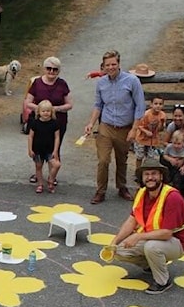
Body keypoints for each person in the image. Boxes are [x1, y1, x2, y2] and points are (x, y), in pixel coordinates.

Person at [110, 157, 184, 295]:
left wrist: (137, 236)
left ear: (161, 176)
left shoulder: (172, 197)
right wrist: (114, 242)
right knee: (118, 250)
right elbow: (132, 220)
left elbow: (167, 233)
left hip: (178, 242)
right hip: (153, 237)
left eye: (154, 173)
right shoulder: (141, 193)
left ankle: (162, 282)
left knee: (152, 247)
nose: (150, 177)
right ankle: (151, 264)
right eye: (146, 174)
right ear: (142, 178)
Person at [83, 50, 146, 205]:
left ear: (119, 64)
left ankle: (122, 187)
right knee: (103, 160)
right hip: (106, 125)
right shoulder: (101, 83)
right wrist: (91, 123)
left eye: (113, 64)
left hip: (125, 126)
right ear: (103, 66)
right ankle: (100, 190)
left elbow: (140, 106)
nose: (110, 67)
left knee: (121, 159)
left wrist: (134, 129)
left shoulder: (132, 81)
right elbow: (98, 105)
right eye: (107, 65)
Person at [23, 56, 72, 187]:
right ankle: (38, 173)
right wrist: (41, 109)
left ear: (59, 71)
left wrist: (55, 109)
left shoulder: (62, 84)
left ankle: (52, 175)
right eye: (49, 68)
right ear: (44, 69)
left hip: (57, 123)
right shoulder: (37, 83)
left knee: (55, 147)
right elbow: (27, 102)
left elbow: (69, 105)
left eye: (55, 69)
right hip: (39, 123)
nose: (51, 72)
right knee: (38, 146)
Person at [27, 100, 61, 194]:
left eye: (48, 111)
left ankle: (51, 179)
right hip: (37, 149)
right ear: (39, 112)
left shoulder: (55, 123)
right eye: (43, 111)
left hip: (50, 149)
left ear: (51, 112)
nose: (46, 113)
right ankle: (40, 184)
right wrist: (30, 149)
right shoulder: (35, 123)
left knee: (56, 164)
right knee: (38, 167)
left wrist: (55, 150)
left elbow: (57, 137)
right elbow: (30, 136)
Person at [130, 96, 167, 175]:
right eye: (156, 103)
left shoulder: (162, 115)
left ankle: (148, 172)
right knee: (140, 156)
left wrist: (162, 124)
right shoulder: (146, 114)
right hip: (142, 139)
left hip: (153, 140)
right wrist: (146, 131)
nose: (158, 106)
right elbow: (139, 125)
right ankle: (138, 171)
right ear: (151, 104)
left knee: (151, 157)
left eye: (160, 104)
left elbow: (160, 129)